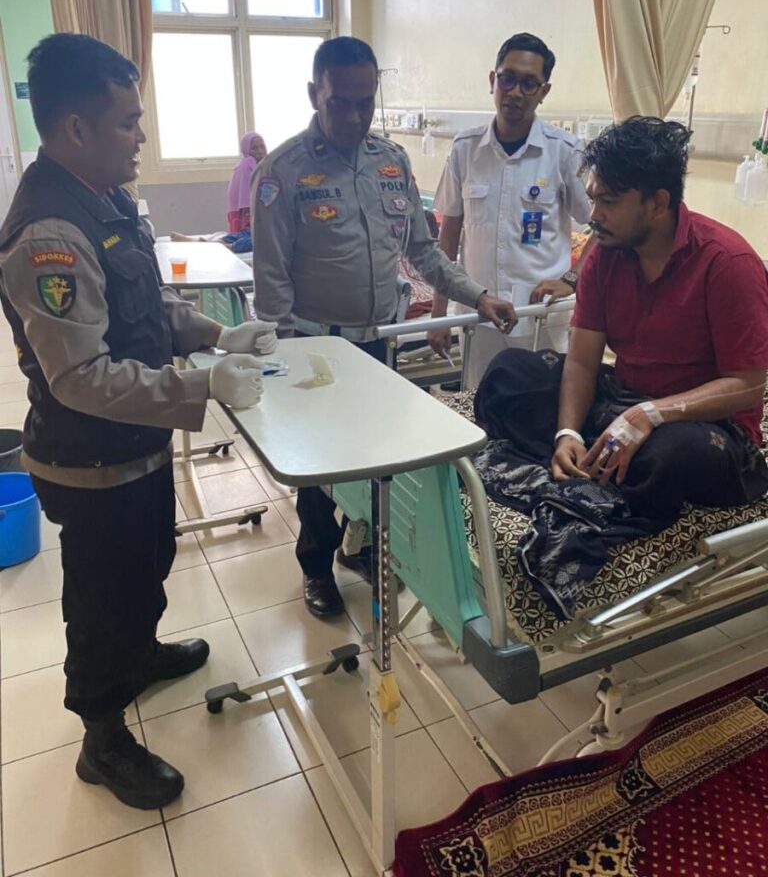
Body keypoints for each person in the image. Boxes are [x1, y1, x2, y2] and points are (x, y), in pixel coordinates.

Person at [0, 33, 277, 811]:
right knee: (101, 601)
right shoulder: (49, 234)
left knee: (149, 563)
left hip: (134, 447)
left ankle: (142, 653)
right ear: (76, 128)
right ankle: (102, 738)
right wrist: (201, 386)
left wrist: (219, 334)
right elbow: (80, 376)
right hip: (89, 460)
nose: (141, 137)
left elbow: (144, 304)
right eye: (127, 122)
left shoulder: (105, 199)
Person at [252, 36, 518, 618]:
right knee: (321, 469)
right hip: (315, 350)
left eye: (365, 103)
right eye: (339, 103)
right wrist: (278, 361)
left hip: (379, 343)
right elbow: (270, 278)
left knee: (376, 458)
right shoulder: (284, 172)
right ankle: (316, 565)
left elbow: (424, 253)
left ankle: (362, 547)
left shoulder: (391, 163)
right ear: (314, 95)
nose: (353, 117)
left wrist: (478, 296)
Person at [475, 116, 768, 553]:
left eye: (608, 202)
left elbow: (749, 385)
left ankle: (599, 470)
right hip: (623, 399)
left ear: (657, 203)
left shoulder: (726, 264)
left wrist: (651, 415)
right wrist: (568, 433)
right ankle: (586, 458)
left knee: (669, 456)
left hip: (705, 425)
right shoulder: (605, 257)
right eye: (593, 198)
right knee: (509, 374)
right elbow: (581, 361)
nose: (594, 216)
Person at [429, 33, 594, 387]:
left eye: (529, 84)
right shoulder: (465, 149)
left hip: (540, 318)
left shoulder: (564, 152)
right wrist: (439, 313)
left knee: (541, 408)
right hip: (479, 316)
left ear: (544, 91)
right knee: (480, 404)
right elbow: (448, 236)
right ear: (493, 80)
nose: (515, 92)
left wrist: (572, 279)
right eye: (508, 79)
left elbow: (605, 225)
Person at [171, 131, 267, 253]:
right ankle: (228, 247)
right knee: (259, 239)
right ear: (246, 150)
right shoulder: (250, 163)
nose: (260, 151)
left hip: (251, 222)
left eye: (262, 146)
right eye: (254, 148)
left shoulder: (246, 165)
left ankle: (203, 242)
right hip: (250, 218)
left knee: (246, 236)